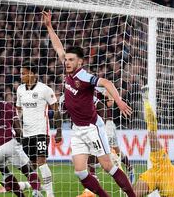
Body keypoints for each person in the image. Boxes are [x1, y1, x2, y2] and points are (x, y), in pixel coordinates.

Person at [42, 10, 135, 197]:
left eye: (71, 60)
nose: (66, 62)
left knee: (108, 166)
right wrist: (50, 27)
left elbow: (106, 83)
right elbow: (59, 48)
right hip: (77, 129)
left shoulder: (84, 76)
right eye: (66, 60)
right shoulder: (68, 71)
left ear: (80, 62)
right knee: (80, 171)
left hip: (93, 127)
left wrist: (119, 101)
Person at [0, 84, 43, 197]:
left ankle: (21, 196)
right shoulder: (7, 105)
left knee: (5, 173)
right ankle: (36, 192)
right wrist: (21, 144)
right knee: (29, 170)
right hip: (8, 143)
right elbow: (18, 130)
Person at [16, 62, 61, 197]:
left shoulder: (45, 89)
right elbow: (18, 110)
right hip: (26, 133)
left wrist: (59, 131)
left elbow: (56, 110)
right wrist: (17, 127)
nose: (21, 76)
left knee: (41, 161)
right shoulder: (20, 90)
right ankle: (36, 189)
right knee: (31, 165)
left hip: (41, 131)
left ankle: (49, 193)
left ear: (32, 74)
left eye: (23, 73)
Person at [133, 88, 174, 197]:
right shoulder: (163, 162)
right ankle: (146, 100)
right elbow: (152, 132)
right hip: (161, 166)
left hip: (169, 184)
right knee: (133, 195)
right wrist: (146, 102)